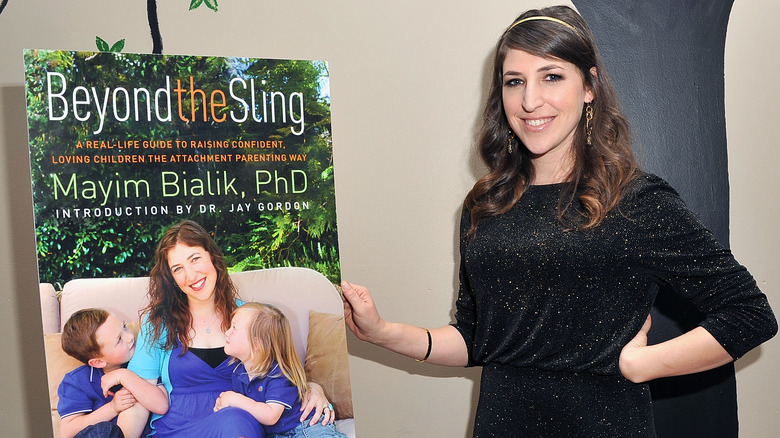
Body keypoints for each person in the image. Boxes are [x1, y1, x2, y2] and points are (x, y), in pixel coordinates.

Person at [341, 5, 777, 437]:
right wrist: (382, 332)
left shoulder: (635, 201)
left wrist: (642, 363)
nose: (530, 100)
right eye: (515, 82)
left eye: (551, 76)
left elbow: (749, 314)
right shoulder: (485, 204)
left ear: (590, 86)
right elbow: (476, 339)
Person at [122, 220, 334, 438]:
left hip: (238, 425)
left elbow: (279, 373)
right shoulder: (158, 322)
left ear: (212, 256)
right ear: (172, 278)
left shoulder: (251, 317)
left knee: (234, 419)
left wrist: (312, 388)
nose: (191, 275)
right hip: (177, 430)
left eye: (195, 259)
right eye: (178, 269)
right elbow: (137, 398)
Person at [215, 302, 346, 438]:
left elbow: (271, 415)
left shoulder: (278, 374)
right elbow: (246, 412)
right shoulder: (238, 373)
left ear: (256, 344)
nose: (227, 332)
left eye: (234, 328)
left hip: (306, 427)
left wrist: (235, 400)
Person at [58, 309, 168, 438]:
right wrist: (112, 408)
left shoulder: (141, 363)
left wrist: (124, 376)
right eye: (119, 340)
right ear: (98, 362)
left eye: (124, 327)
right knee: (104, 431)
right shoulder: (77, 381)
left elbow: (161, 405)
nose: (130, 336)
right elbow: (67, 432)